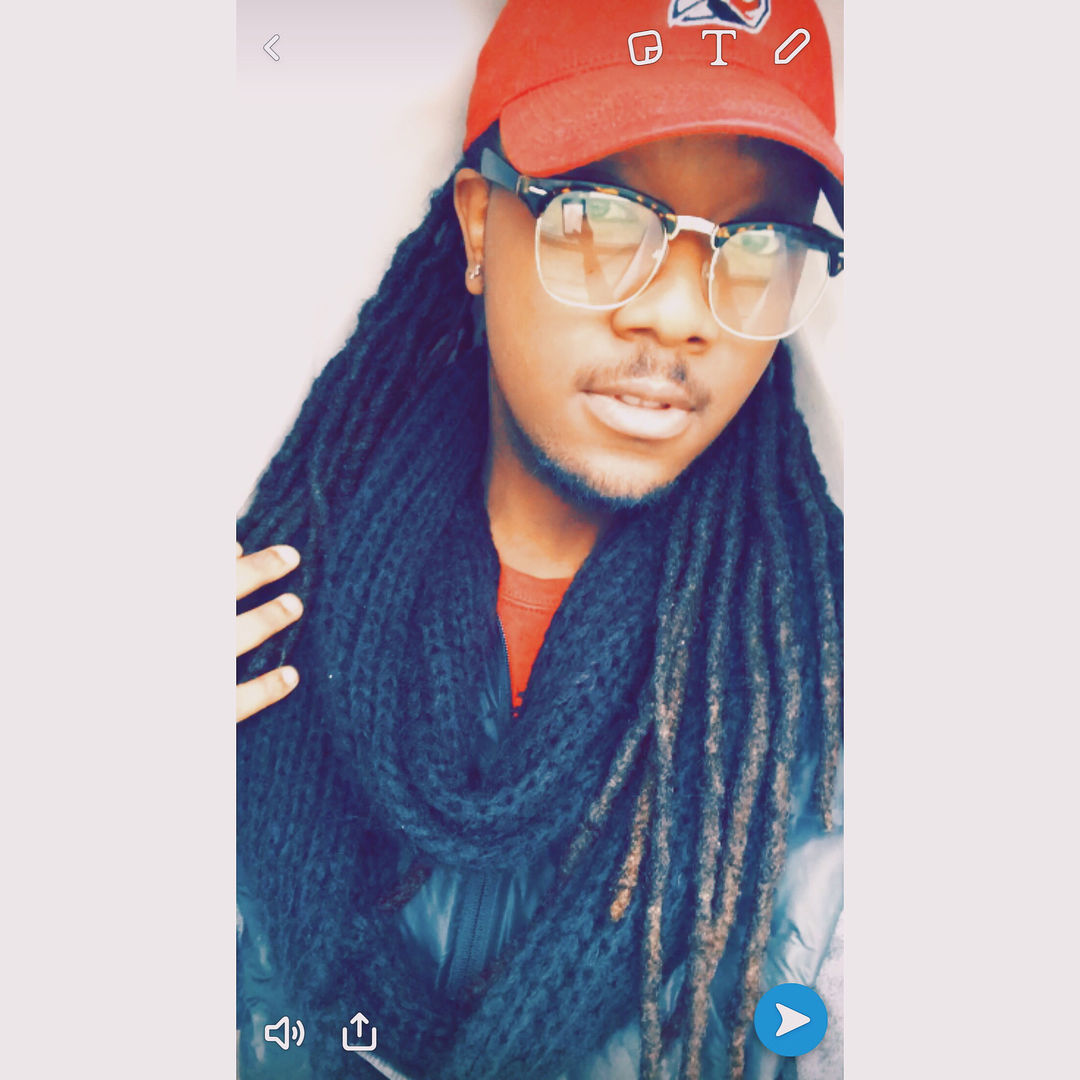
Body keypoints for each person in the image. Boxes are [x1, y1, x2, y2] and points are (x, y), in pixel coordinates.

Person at [236, 1, 844, 1077]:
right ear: (480, 228)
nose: (680, 314)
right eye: (603, 218)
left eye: (757, 244)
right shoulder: (259, 613)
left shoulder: (830, 692)